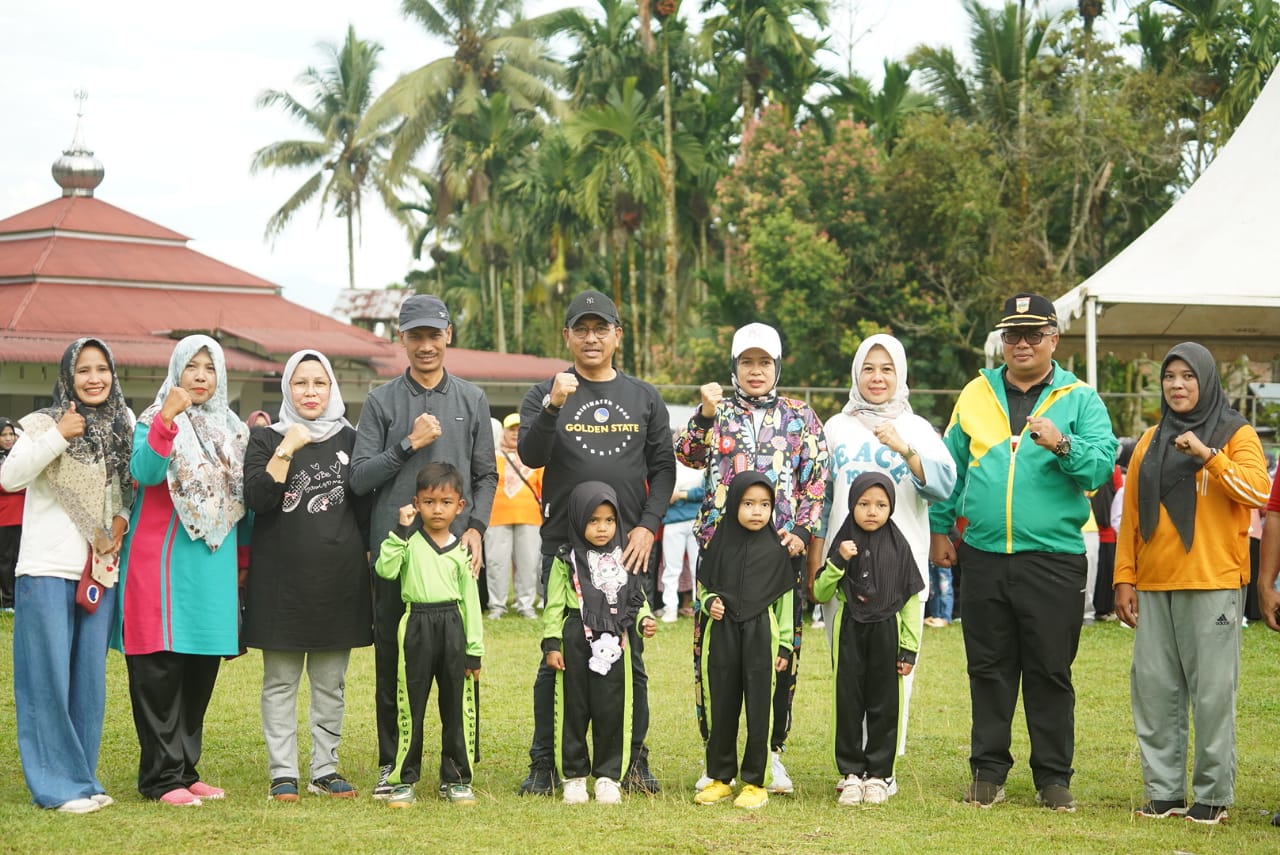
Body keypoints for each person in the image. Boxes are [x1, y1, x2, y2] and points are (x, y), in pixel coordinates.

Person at [929, 292, 1116, 812]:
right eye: (1013, 334)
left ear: (1054, 339)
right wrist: (941, 531)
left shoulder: (1080, 397)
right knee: (987, 667)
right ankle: (988, 770)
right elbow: (950, 469)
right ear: (1001, 342)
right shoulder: (975, 391)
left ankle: (1053, 777)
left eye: (1035, 333)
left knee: (1050, 669)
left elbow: (1100, 470)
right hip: (984, 553)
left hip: (1053, 556)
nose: (1023, 344)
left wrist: (1062, 443)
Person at [517, 289, 675, 796]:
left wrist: (647, 525)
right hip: (565, 551)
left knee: (629, 660)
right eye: (581, 329)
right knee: (559, 658)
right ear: (567, 335)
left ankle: (632, 759)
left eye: (600, 328)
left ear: (617, 335)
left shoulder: (643, 396)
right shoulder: (546, 391)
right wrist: (552, 406)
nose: (591, 337)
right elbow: (531, 453)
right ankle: (546, 762)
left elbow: (663, 467)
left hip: (625, 551)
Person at [1114, 342, 1269, 825]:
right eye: (1169, 377)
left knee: (1213, 694)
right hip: (1156, 584)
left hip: (1213, 582)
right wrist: (1124, 578)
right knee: (1155, 691)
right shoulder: (1150, 440)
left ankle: (1212, 796)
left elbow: (1258, 490)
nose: (1177, 386)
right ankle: (1163, 793)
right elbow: (1133, 518)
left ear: (1206, 380)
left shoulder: (1235, 433)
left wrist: (1208, 456)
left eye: (1188, 376)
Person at [350, 294, 496, 799]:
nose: (426, 345)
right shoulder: (381, 400)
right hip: (397, 555)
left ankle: (457, 772)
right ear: (402, 339)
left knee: (457, 664)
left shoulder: (472, 399)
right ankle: (396, 769)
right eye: (416, 336)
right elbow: (359, 477)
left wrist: (475, 526)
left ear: (449, 335)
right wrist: (407, 444)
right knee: (393, 664)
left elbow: (485, 474)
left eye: (435, 335)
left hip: (456, 555)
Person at [676, 321, 828, 794]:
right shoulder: (717, 412)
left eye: (765, 362)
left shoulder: (801, 415)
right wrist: (703, 412)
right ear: (735, 367)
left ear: (778, 366)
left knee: (778, 654)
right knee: (715, 655)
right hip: (721, 551)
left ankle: (770, 753)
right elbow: (685, 453)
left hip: (779, 552)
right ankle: (716, 756)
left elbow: (819, 476)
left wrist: (802, 530)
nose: (756, 371)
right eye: (747, 362)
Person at [113, 334, 248, 806]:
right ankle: (159, 778)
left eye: (209, 368)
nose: (200, 376)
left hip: (214, 564)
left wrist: (244, 564)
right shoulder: (152, 419)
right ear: (175, 371)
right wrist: (168, 418)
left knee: (198, 669)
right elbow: (146, 473)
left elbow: (242, 503)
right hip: (162, 563)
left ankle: (186, 770)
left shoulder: (233, 429)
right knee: (160, 669)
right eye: (191, 367)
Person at [1, 338, 134, 813]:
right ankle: (56, 787)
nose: (95, 378)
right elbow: (10, 477)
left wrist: (116, 526)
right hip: (46, 569)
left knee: (87, 684)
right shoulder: (41, 422)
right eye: (83, 370)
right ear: (67, 376)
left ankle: (82, 777)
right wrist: (60, 433)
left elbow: (125, 491)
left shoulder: (123, 424)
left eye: (102, 369)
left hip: (99, 569)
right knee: (46, 681)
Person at [807, 333, 955, 758]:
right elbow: (823, 498)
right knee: (848, 669)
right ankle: (853, 760)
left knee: (895, 667)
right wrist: (818, 559)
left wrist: (906, 450)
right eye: (868, 368)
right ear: (856, 373)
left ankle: (883, 761)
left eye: (886, 369)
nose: (877, 377)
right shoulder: (836, 427)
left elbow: (945, 485)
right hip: (845, 566)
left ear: (900, 374)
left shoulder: (917, 428)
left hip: (899, 569)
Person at [241, 350, 373, 802]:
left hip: (339, 579)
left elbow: (365, 510)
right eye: (301, 383)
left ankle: (325, 768)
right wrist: (286, 447)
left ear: (332, 388)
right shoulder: (265, 439)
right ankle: (283, 772)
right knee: (279, 682)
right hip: (280, 584)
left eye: (319, 382)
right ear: (287, 389)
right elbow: (258, 499)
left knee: (330, 683)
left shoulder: (354, 440)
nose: (311, 391)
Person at [373, 462, 483, 807]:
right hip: (416, 625)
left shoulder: (462, 549)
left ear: (459, 506)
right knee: (411, 707)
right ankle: (403, 778)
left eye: (446, 502)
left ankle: (456, 778)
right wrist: (400, 532)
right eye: (430, 501)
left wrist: (473, 650)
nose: (438, 509)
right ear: (416, 504)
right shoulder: (408, 541)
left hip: (453, 625)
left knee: (456, 706)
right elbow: (385, 569)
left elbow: (471, 601)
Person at [543, 481, 656, 805]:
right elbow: (553, 604)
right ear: (579, 520)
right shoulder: (566, 559)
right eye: (593, 521)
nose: (602, 528)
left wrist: (644, 619)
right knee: (573, 709)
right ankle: (574, 777)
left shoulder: (626, 555)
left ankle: (609, 777)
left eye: (608, 520)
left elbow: (636, 597)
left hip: (616, 641)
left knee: (612, 710)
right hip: (576, 640)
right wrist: (552, 643)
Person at [815, 472, 924, 806]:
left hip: (887, 631)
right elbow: (820, 592)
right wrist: (837, 561)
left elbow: (909, 603)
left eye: (881, 504)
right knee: (848, 701)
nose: (872, 511)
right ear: (852, 505)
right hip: (850, 629)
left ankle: (879, 775)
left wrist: (908, 649)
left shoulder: (899, 546)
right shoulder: (843, 541)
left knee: (885, 702)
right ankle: (850, 774)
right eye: (863, 504)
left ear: (891, 507)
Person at [693, 473, 793, 810]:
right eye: (748, 504)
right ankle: (720, 778)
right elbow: (703, 587)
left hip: (761, 635)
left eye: (764, 505)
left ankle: (755, 781)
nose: (756, 512)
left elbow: (786, 602)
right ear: (735, 503)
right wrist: (709, 603)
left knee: (760, 709)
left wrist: (785, 646)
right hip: (722, 634)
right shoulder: (718, 545)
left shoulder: (777, 552)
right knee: (721, 705)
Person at [485, 412, 542, 620]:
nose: (515, 433)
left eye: (520, 429)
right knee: (496, 562)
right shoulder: (492, 456)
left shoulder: (535, 456)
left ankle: (525, 604)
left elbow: (543, 487)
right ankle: (497, 605)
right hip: (496, 517)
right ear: (504, 432)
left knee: (528, 562)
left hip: (530, 517)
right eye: (511, 429)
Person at [659, 464, 704, 622]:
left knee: (697, 567)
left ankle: (699, 607)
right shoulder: (669, 463)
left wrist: (681, 494)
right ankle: (670, 608)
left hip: (696, 520)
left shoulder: (703, 462)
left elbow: (706, 490)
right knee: (671, 567)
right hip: (672, 521)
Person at [0, 417, 24, 613]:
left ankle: (15, 600)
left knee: (18, 558)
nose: (9, 439)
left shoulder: (19, 456)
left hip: (22, 515)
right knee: (5, 559)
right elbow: (6, 485)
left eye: (11, 434)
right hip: (5, 517)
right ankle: (7, 602)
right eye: (4, 435)